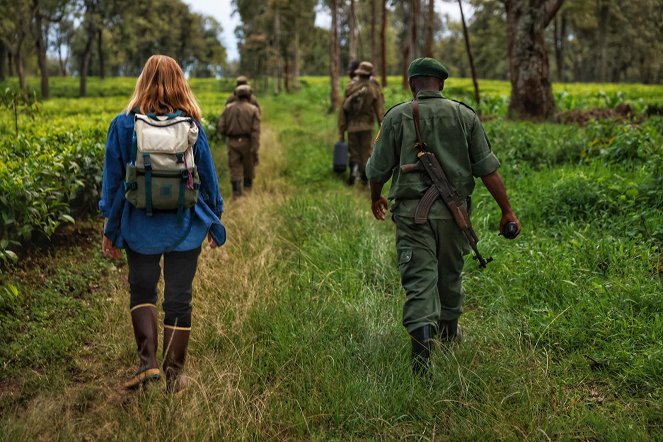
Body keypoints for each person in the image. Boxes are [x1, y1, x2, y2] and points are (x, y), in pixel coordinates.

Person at [366, 57, 521, 376]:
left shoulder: (397, 116)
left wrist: (375, 197)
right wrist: (506, 210)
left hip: (412, 216)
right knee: (450, 274)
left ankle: (421, 364)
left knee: (420, 281)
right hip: (455, 214)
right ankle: (449, 333)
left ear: (412, 84)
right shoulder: (465, 115)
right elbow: (487, 169)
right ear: (442, 84)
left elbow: (377, 168)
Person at [99, 55, 226, 392]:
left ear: (142, 80)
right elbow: (209, 182)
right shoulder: (192, 124)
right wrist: (214, 221)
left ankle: (147, 364)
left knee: (142, 289)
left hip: (139, 227)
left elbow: (113, 186)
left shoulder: (123, 125)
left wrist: (111, 230)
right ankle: (173, 377)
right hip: (185, 228)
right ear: (181, 82)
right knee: (179, 299)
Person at [338, 61, 384, 185]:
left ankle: (353, 170)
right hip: (367, 126)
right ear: (370, 74)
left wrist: (342, 128)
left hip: (352, 126)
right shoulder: (374, 88)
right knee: (366, 151)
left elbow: (343, 109)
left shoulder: (350, 87)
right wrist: (382, 126)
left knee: (353, 151)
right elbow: (379, 110)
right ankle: (365, 175)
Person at [217, 84, 261, 198]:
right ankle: (247, 193)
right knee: (248, 167)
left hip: (232, 141)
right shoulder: (253, 109)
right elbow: (256, 132)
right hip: (248, 142)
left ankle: (236, 194)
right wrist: (255, 148)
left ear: (236, 95)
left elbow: (221, 127)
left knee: (235, 167)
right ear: (249, 95)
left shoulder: (228, 108)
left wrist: (229, 134)